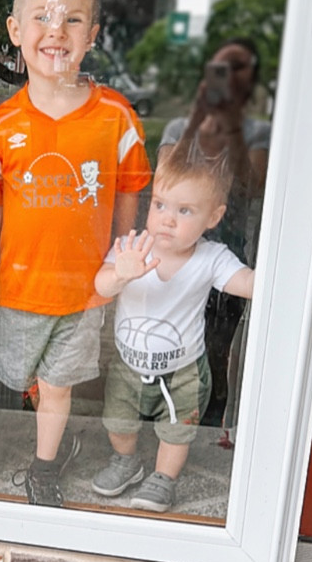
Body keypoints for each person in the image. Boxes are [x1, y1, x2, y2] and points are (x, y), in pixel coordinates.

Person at [0, 0, 151, 506]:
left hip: (83, 292)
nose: (56, 31)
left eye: (72, 19)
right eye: (41, 17)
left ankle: (43, 467)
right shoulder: (1, 127)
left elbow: (129, 189)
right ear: (16, 31)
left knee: (59, 387)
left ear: (93, 34)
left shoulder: (115, 118)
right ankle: (51, 428)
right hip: (21, 290)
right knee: (26, 381)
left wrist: (118, 256)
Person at [91, 155, 255, 513]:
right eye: (160, 205)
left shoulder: (212, 258)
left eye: (185, 211)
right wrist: (120, 274)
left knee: (177, 431)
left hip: (183, 371)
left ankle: (164, 478)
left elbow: (247, 284)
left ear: (213, 217)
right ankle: (126, 461)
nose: (167, 219)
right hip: (128, 365)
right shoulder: (131, 248)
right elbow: (101, 286)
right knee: (118, 421)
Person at [158, 37, 270, 434]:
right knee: (171, 327)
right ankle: (161, 402)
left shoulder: (256, 132)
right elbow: (165, 179)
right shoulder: (179, 127)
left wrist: (233, 132)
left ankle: (209, 413)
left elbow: (254, 185)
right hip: (177, 250)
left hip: (228, 252)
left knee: (218, 338)